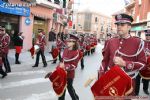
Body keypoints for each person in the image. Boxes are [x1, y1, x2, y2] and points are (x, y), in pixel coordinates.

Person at [99, 13, 146, 95]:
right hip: (111, 80)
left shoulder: (137, 42)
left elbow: (143, 64)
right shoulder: (111, 41)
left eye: (122, 24)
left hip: (128, 81)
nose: (119, 27)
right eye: (117, 25)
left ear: (129, 27)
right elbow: (105, 61)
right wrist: (101, 75)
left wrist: (125, 63)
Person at [58, 34, 80, 100]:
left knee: (69, 88)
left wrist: (65, 66)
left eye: (70, 41)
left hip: (70, 74)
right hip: (62, 73)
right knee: (62, 88)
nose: (68, 42)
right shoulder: (65, 50)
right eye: (68, 41)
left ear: (74, 43)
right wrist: (58, 68)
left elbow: (74, 66)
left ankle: (76, 98)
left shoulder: (76, 52)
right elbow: (62, 60)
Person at [135, 29, 150, 95]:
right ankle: (136, 91)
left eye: (149, 35)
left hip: (149, 64)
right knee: (137, 78)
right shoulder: (141, 42)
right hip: (140, 63)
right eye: (147, 35)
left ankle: (145, 89)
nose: (148, 36)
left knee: (147, 78)